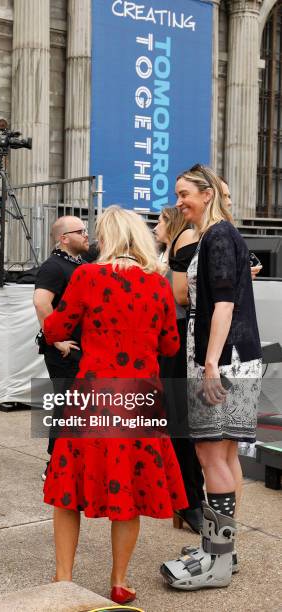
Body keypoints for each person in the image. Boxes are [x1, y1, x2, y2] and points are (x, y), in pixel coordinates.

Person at [42, 206, 187, 604]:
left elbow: (55, 327)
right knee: (130, 486)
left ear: (106, 238)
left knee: (68, 488)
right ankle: (119, 580)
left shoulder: (87, 276)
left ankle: (63, 578)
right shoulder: (156, 284)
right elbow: (171, 344)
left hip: (94, 394)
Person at [161, 164, 262, 590]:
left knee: (211, 457)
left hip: (223, 363)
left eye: (185, 193)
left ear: (206, 194)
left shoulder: (218, 236)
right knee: (221, 457)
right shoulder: (218, 236)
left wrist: (208, 366)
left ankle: (217, 561)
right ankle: (220, 549)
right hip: (229, 360)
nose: (179, 201)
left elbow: (221, 307)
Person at [154, 208, 205, 534]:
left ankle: (188, 500)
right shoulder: (164, 256)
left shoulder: (181, 245)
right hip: (170, 339)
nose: (155, 227)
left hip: (179, 337)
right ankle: (187, 501)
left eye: (159, 221)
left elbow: (180, 295)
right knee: (178, 424)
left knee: (183, 424)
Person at [33, 216, 90, 478]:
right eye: (80, 231)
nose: (86, 235)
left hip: (81, 348)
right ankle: (54, 463)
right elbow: (41, 303)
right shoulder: (54, 266)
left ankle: (73, 460)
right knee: (66, 406)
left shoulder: (81, 264)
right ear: (64, 238)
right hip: (65, 350)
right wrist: (55, 339)